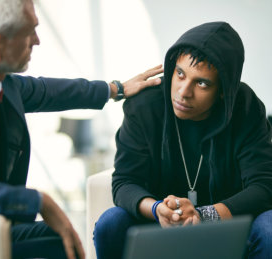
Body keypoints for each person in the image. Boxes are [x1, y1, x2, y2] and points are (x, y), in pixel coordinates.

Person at [0, 0, 163, 259]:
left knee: (61, 240)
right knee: (60, 242)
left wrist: (116, 89)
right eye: (29, 31)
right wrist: (37, 201)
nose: (37, 40)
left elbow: (46, 91)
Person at [93, 21, 272, 259]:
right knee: (111, 222)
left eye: (201, 83)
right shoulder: (143, 107)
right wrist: (158, 210)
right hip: (159, 225)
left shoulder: (246, 108)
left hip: (228, 226)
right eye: (179, 74)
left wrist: (204, 215)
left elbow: (263, 186)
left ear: (223, 90)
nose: (183, 92)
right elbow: (125, 182)